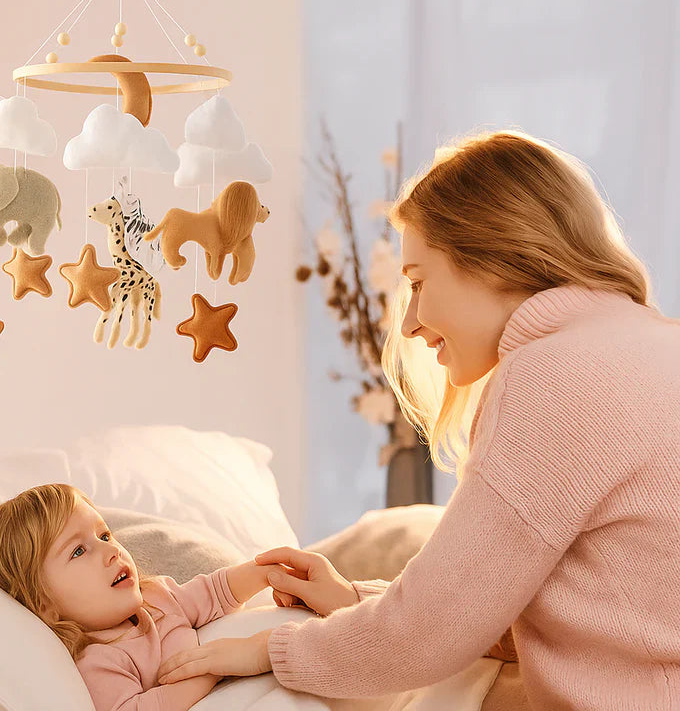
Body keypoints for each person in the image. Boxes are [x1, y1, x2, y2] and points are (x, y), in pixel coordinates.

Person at [156, 129, 680, 710]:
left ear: (494, 256)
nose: (409, 323)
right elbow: (532, 618)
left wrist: (274, 650)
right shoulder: (651, 345)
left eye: (418, 282)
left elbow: (430, 634)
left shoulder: (554, 375)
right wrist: (359, 603)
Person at [0, 483, 286, 711]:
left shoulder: (157, 598)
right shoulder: (98, 659)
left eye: (104, 535)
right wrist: (212, 668)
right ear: (44, 605)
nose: (111, 550)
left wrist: (267, 573)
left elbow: (215, 591)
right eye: (78, 551)